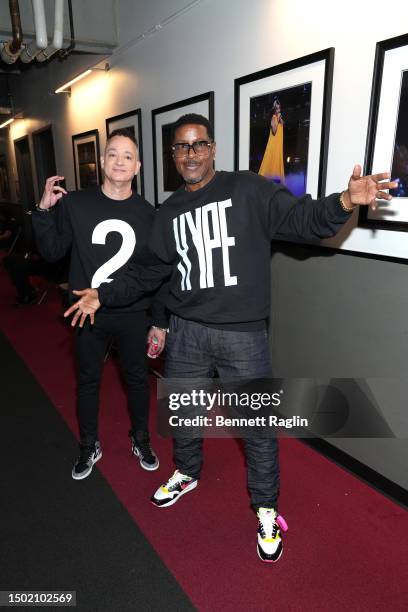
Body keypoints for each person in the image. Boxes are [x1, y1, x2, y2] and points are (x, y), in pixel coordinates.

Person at [64, 114, 398, 562]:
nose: (190, 154)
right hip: (187, 332)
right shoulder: (169, 211)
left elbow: (303, 221)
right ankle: (186, 472)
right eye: (181, 148)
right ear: (173, 157)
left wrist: (343, 201)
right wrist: (104, 293)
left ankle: (265, 507)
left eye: (198, 144)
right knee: (184, 413)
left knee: (256, 427)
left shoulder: (249, 189)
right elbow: (150, 272)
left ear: (213, 148)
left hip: (243, 336)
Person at [32, 128, 168, 481]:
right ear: (102, 162)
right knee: (88, 381)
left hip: (132, 313)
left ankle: (140, 438)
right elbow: (51, 253)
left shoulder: (149, 214)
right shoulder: (75, 204)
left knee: (137, 380)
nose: (119, 161)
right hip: (85, 313)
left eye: (127, 156)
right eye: (112, 154)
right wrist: (43, 212)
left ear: (137, 166)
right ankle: (89, 444)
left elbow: (156, 276)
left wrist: (158, 320)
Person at [258, 98, 285, 182]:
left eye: (279, 108)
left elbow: (283, 125)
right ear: (274, 109)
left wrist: (280, 118)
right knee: (270, 167)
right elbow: (274, 131)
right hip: (274, 145)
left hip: (278, 146)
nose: (278, 110)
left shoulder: (279, 119)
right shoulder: (273, 118)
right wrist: (277, 118)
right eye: (277, 108)